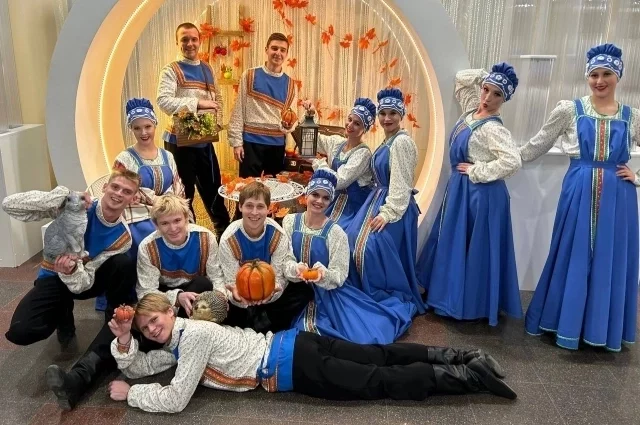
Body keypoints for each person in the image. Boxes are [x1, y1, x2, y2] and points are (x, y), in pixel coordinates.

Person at [105, 293, 516, 413]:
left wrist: (133, 395)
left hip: (290, 365)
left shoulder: (191, 336)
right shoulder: (180, 340)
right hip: (297, 341)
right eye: (145, 330)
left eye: (154, 320)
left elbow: (176, 398)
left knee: (377, 380)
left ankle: (469, 377)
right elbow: (144, 364)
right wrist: (124, 340)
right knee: (378, 355)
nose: (152, 330)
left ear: (170, 311)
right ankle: (462, 355)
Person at [521, 43, 639, 351]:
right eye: (594, 75)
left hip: (619, 197)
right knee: (572, 253)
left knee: (609, 258)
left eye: (606, 74)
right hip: (578, 190)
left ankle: (598, 329)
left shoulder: (632, 116)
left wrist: (637, 177)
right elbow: (538, 144)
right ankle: (564, 322)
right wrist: (500, 161)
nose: (599, 81)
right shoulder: (569, 110)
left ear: (618, 76)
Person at [1, 169, 140, 410]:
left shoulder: (122, 237)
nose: (118, 194)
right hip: (52, 277)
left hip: (83, 279)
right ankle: (62, 312)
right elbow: (10, 205)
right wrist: (61, 197)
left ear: (133, 198)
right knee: (21, 332)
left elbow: (84, 282)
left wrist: (72, 271)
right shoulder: (75, 206)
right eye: (115, 187)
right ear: (105, 187)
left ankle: (114, 322)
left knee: (123, 264)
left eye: (126, 191)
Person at [418, 63, 523, 326]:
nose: (487, 97)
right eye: (486, 90)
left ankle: (469, 304)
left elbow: (513, 161)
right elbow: (461, 79)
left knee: (474, 250)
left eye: (497, 94)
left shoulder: (494, 129)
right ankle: (450, 296)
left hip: (481, 195)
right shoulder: (470, 111)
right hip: (461, 191)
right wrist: (486, 76)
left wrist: (477, 170)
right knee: (455, 242)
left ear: (504, 100)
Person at [283, 169, 412, 344]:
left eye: (325, 198)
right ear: (307, 195)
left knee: (356, 338)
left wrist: (322, 275)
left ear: (331, 200)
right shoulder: (290, 222)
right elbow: (285, 259)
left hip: (327, 295)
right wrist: (296, 269)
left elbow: (339, 275)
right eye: (315, 194)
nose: (319, 201)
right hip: (294, 290)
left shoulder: (336, 233)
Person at [345, 88, 424, 316]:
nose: (387, 119)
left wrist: (387, 213)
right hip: (378, 198)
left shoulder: (401, 142)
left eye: (392, 114)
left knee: (369, 247)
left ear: (401, 115)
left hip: (394, 206)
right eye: (382, 113)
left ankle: (379, 292)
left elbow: (402, 183)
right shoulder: (388, 141)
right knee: (352, 238)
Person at [157, 22, 229, 238]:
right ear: (177, 42)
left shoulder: (207, 68)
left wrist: (217, 122)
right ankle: (188, 237)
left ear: (200, 41)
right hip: (178, 142)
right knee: (183, 193)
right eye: (184, 39)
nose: (190, 43)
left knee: (213, 189)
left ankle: (223, 234)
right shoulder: (171, 70)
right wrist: (197, 103)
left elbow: (218, 98)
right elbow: (163, 101)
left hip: (203, 140)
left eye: (193, 39)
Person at [218, 182, 313, 333]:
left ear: (268, 209)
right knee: (223, 304)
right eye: (249, 206)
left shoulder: (277, 235)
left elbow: (278, 278)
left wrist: (270, 295)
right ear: (240, 207)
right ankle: (262, 323)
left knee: (303, 290)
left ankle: (258, 322)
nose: (254, 212)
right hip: (243, 297)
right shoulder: (229, 239)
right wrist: (238, 298)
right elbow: (231, 282)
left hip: (269, 295)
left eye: (260, 206)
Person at [113, 97, 185, 257]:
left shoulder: (168, 156)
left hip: (169, 213)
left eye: (147, 126)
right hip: (138, 218)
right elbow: (119, 193)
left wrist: (171, 207)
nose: (143, 133)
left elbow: (178, 186)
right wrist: (156, 200)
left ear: (155, 125)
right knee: (154, 239)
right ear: (131, 129)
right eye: (137, 128)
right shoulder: (124, 159)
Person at [136, 194, 223, 318]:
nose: (173, 228)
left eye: (177, 220)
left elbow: (216, 277)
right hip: (164, 294)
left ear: (186, 218)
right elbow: (146, 292)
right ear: (156, 225)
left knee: (203, 283)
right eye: (165, 223)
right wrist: (176, 298)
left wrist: (220, 299)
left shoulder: (205, 237)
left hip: (196, 290)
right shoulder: (147, 247)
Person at [228, 32, 299, 178]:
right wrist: (237, 143)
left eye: (282, 50)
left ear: (286, 54)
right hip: (250, 144)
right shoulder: (249, 75)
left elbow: (292, 120)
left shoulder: (291, 85)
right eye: (274, 48)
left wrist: (287, 126)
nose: (278, 53)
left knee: (273, 189)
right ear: (266, 50)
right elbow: (238, 110)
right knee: (248, 188)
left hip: (277, 146)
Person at [302, 98, 375, 229]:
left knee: (332, 231)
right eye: (350, 119)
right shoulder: (337, 142)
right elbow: (311, 142)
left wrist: (318, 162)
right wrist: (310, 115)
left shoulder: (363, 154)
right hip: (332, 199)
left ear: (365, 129)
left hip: (352, 208)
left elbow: (340, 181)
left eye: (357, 123)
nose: (350, 125)